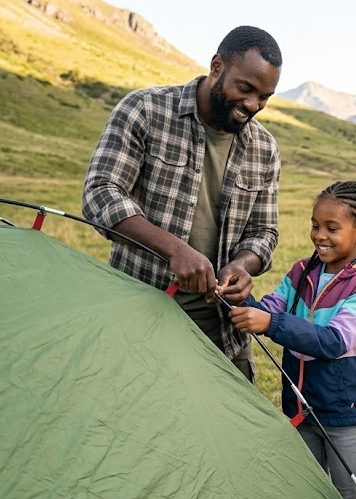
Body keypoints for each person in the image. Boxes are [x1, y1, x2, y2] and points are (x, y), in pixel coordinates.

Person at [81, 26, 283, 382]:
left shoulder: (264, 148)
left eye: (264, 97)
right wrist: (175, 249)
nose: (253, 105)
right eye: (245, 89)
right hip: (138, 314)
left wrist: (242, 264)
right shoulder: (144, 110)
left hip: (222, 330)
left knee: (226, 417)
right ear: (217, 67)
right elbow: (101, 193)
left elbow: (264, 232)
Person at [228, 180, 356, 499]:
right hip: (299, 406)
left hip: (344, 411)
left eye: (332, 228)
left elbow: (333, 341)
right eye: (315, 226)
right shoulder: (302, 271)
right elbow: (268, 309)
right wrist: (238, 296)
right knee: (306, 486)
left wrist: (270, 323)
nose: (320, 235)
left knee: (346, 490)